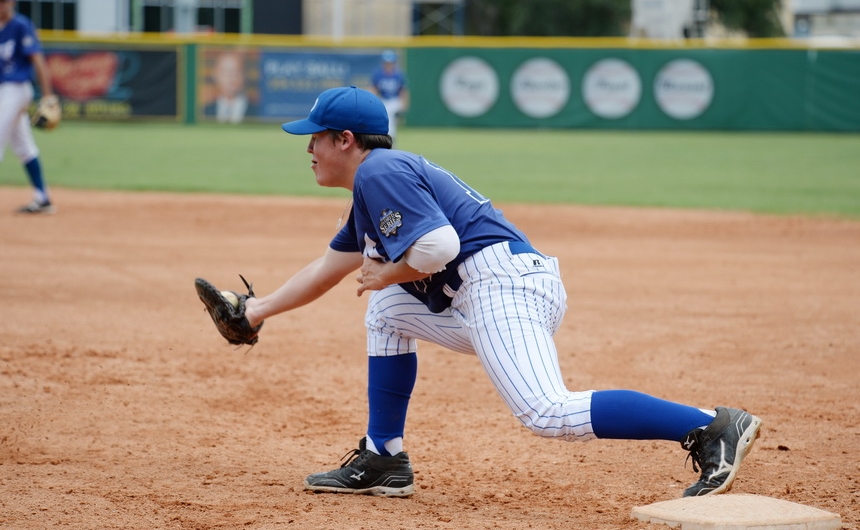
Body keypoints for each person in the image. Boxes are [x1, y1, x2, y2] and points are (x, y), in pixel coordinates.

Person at [243, 86, 762, 499]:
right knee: (385, 313)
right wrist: (256, 311)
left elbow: (439, 247)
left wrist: (388, 273)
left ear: (346, 140)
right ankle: (384, 457)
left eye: (316, 137)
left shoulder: (380, 169)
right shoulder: (373, 187)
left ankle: (712, 426)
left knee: (545, 411)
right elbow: (326, 270)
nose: (308, 148)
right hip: (485, 289)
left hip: (500, 285)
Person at [0, 0, 57, 214]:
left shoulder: (20, 25)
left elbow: (38, 61)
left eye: (5, 1)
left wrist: (48, 97)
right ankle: (42, 198)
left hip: (16, 89)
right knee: (23, 146)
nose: (1, 5)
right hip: (2, 91)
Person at [203, 50, 257, 124]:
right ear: (215, 74)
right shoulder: (204, 112)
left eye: (236, 71)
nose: (231, 78)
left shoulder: (258, 113)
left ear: (245, 75)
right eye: (225, 72)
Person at [369, 50, 409, 142]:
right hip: (384, 99)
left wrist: (404, 105)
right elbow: (373, 89)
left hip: (395, 100)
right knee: (385, 110)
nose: (388, 65)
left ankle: (390, 137)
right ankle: (387, 137)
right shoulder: (378, 74)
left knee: (389, 112)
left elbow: (403, 91)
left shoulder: (398, 75)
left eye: (390, 63)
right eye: (386, 63)